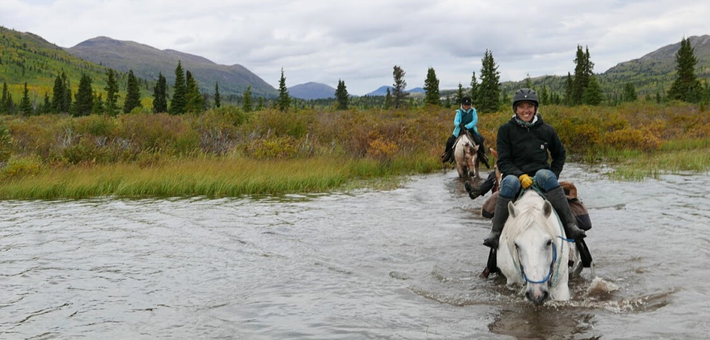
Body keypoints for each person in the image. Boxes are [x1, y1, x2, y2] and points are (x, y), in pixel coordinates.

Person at [482, 88, 586, 249]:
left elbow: (560, 154)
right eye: (521, 107)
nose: (526, 111)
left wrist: (554, 173)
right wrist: (520, 175)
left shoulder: (546, 130)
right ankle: (495, 233)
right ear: (515, 109)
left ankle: (571, 226)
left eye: (529, 106)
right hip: (515, 176)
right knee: (509, 183)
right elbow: (503, 161)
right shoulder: (505, 130)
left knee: (547, 176)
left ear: (535, 108)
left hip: (540, 176)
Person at [441, 96, 489, 167]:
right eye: (465, 105)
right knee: (450, 141)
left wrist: (467, 126)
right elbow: (455, 121)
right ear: (462, 105)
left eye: (468, 105)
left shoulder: (473, 111)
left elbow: (475, 120)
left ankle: (483, 155)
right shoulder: (459, 112)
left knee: (479, 140)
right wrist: (459, 125)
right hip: (459, 130)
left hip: (471, 130)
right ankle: (447, 154)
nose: (466, 106)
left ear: (470, 105)